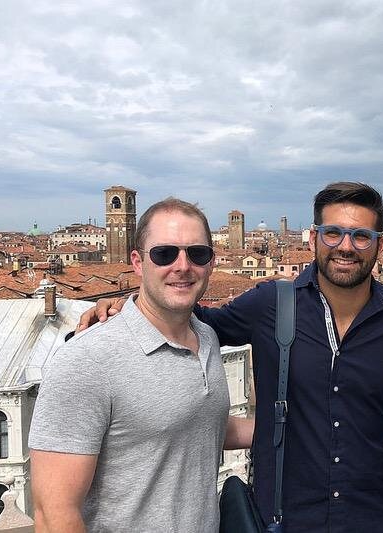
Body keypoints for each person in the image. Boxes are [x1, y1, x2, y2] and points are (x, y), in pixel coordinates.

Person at [77, 182, 383, 533]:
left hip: (377, 520)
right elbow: (188, 318)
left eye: (361, 236)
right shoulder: (271, 305)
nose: (346, 246)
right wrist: (124, 305)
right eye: (333, 233)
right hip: (288, 519)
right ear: (313, 239)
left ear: (379, 246)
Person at [29, 198, 253, 532]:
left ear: (211, 263)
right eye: (164, 254)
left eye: (197, 253)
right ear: (137, 262)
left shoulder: (206, 338)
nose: (182, 266)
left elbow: (202, 425)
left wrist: (302, 427)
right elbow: (53, 515)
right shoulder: (86, 359)